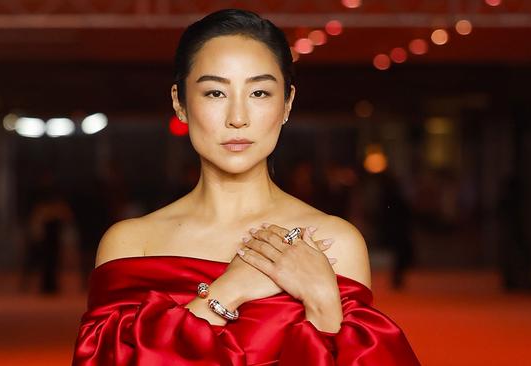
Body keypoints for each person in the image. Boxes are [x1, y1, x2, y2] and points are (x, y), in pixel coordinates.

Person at [72, 9, 419, 365]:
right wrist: (228, 291)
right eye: (215, 93)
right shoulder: (131, 244)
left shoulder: (335, 242)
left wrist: (323, 305)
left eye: (259, 92)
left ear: (287, 104)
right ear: (179, 102)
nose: (238, 118)